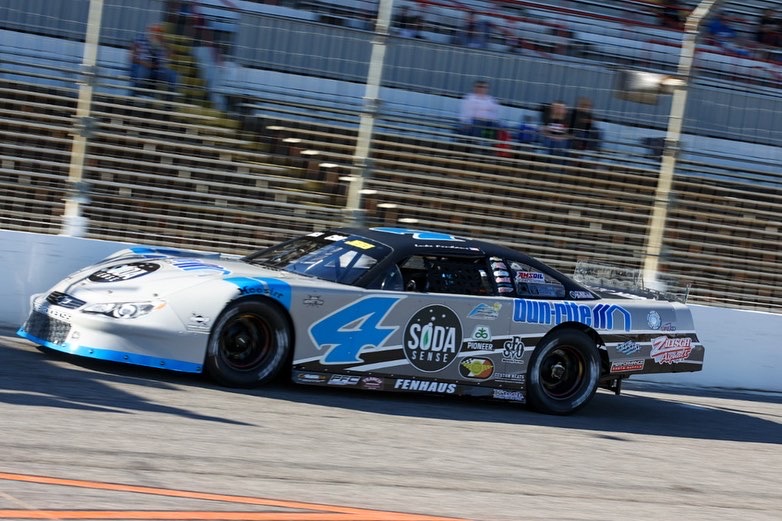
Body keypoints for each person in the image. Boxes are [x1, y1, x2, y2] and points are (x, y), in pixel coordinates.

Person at [129, 24, 178, 97]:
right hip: (143, 66)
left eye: (160, 32)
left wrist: (165, 44)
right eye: (154, 31)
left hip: (158, 69)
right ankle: (134, 96)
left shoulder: (163, 42)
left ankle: (169, 104)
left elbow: (170, 55)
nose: (157, 34)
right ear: (149, 31)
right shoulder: (139, 40)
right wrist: (144, 63)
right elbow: (132, 58)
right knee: (142, 73)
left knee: (173, 76)